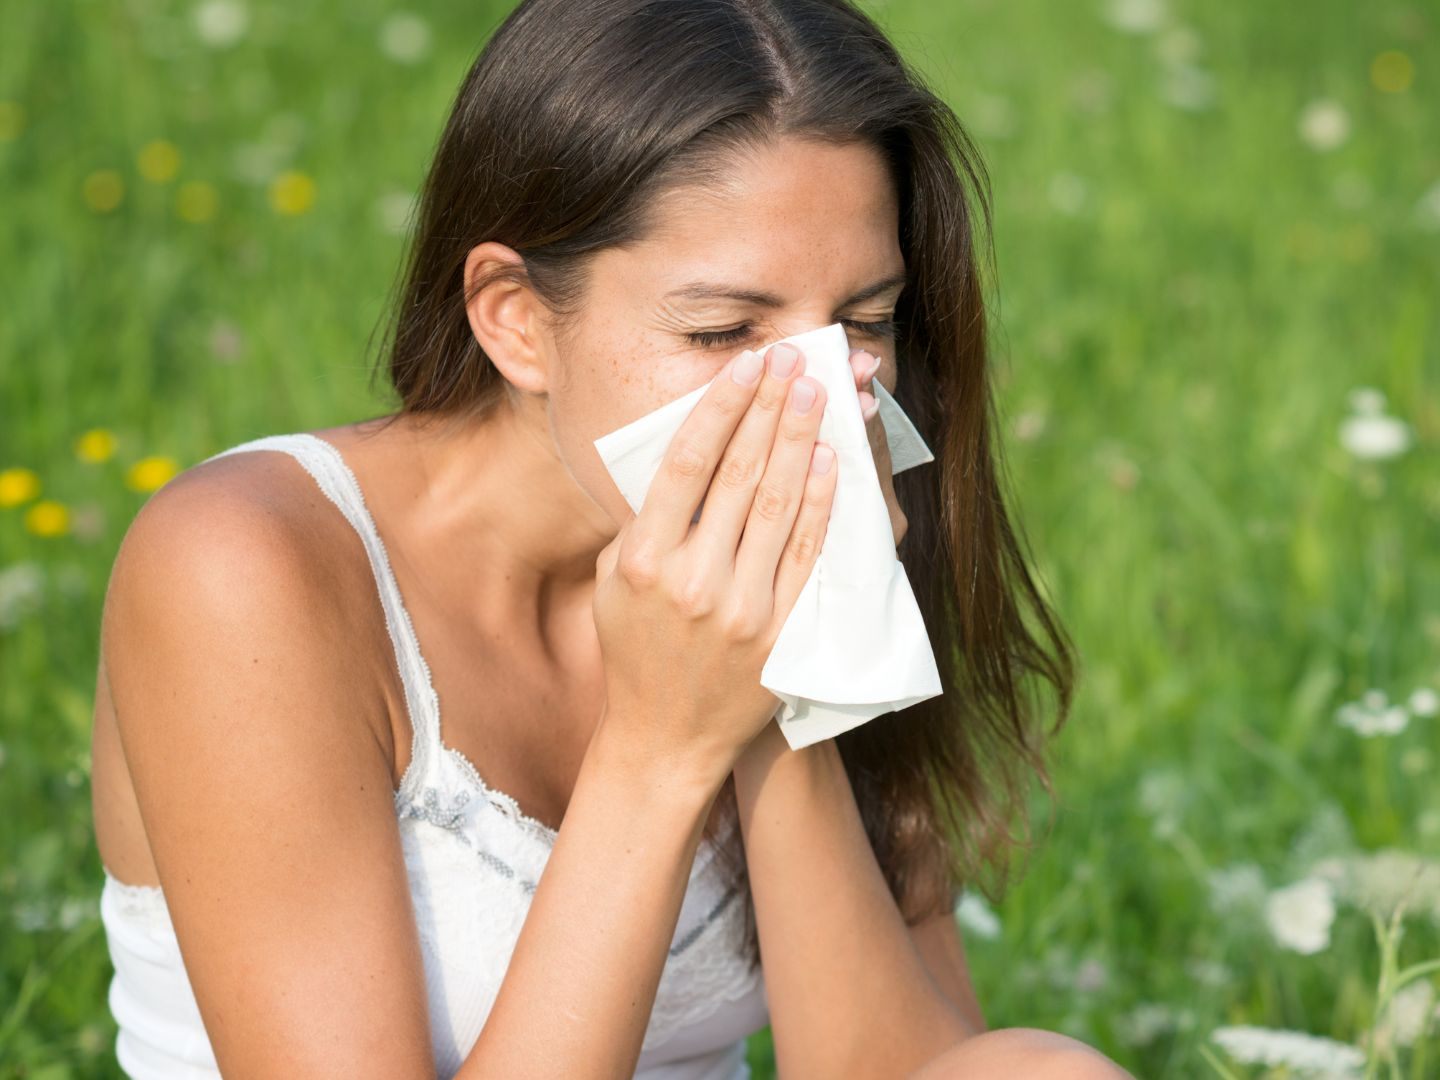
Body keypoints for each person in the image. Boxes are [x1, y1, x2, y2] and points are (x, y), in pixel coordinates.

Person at [90, 0, 1134, 1076]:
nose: (816, 395)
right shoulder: (247, 568)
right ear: (513, 318)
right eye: (724, 331)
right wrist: (660, 749)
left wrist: (789, 679)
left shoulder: (839, 522)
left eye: (863, 322)